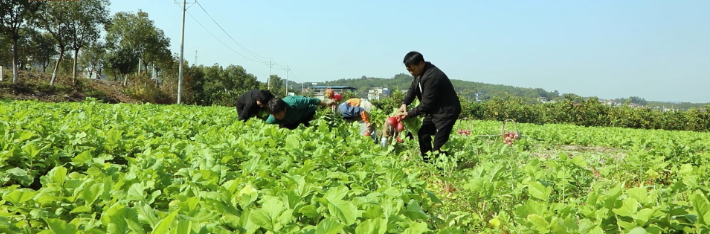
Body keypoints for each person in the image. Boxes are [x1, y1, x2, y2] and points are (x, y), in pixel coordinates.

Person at [394, 51, 461, 163]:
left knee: (438, 145)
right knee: (423, 134)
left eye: (412, 69)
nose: (411, 72)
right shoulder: (419, 74)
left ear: (421, 63)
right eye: (408, 70)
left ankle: (441, 172)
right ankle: (428, 163)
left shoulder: (432, 76)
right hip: (434, 111)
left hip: (445, 112)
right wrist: (404, 103)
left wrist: (409, 114)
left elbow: (426, 104)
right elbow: (412, 90)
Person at [266, 95, 336, 129]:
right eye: (275, 115)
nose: (278, 117)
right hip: (293, 120)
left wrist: (327, 103)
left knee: (312, 128)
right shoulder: (272, 118)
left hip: (306, 114)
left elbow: (312, 100)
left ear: (284, 109)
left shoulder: (294, 103)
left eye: (279, 115)